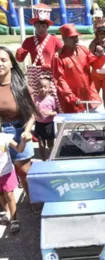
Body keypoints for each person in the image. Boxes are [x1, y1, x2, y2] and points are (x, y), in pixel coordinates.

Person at [0, 47, 39, 210]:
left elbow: (32, 114)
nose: (0, 64)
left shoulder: (22, 86)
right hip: (1, 134)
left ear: (11, 64)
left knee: (24, 171)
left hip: (18, 132)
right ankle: (6, 208)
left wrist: (27, 131)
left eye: (3, 60)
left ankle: (33, 201)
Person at [15, 3, 62, 108]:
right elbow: (20, 59)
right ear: (34, 25)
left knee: (54, 101)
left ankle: (54, 121)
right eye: (39, 25)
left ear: (47, 27)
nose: (41, 28)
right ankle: (39, 121)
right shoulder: (28, 41)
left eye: (44, 26)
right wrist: (18, 54)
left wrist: (52, 64)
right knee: (37, 103)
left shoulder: (55, 40)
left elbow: (63, 58)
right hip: (36, 78)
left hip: (51, 76)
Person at [52, 24, 105, 113]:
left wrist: (100, 56)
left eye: (76, 36)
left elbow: (96, 65)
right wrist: (71, 97)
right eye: (72, 37)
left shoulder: (84, 50)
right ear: (65, 39)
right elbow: (59, 80)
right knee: (76, 125)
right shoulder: (59, 57)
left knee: (102, 119)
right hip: (74, 100)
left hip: (91, 95)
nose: (76, 39)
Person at [0, 120, 32, 233]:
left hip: (6, 173)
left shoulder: (4, 137)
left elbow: (19, 149)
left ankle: (14, 219)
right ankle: (5, 212)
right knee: (1, 195)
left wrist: (24, 140)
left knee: (9, 195)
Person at [34, 75, 58, 161]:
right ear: (37, 88)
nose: (42, 89)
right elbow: (33, 110)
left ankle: (52, 158)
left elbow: (56, 112)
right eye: (40, 87)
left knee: (50, 144)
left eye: (45, 87)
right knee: (41, 143)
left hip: (49, 124)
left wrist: (50, 113)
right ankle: (43, 159)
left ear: (49, 88)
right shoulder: (36, 99)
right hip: (39, 124)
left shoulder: (51, 99)